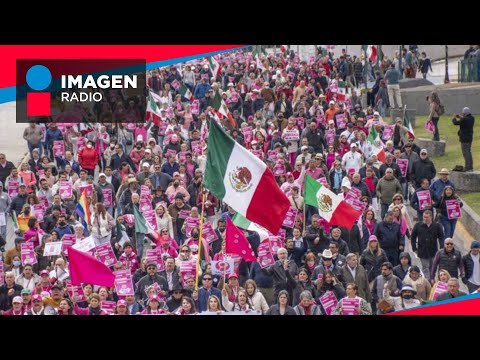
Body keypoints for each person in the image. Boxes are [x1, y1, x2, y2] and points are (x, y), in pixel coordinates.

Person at [411, 210, 445, 281]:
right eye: (424, 217)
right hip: (422, 251)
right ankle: (428, 281)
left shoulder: (437, 226)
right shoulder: (418, 225)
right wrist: (414, 248)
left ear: (431, 217)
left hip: (433, 251)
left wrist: (442, 249)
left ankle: (432, 279)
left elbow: (441, 237)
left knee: (432, 267)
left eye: (427, 217)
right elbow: (413, 237)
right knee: (425, 267)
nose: (425, 219)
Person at [452, 107, 475, 172]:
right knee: (469, 152)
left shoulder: (464, 119)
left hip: (464, 139)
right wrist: (460, 116)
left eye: (463, 113)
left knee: (466, 153)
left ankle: (467, 167)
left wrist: (454, 117)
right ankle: (470, 167)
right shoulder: (472, 118)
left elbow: (455, 122)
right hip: (470, 138)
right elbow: (464, 119)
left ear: (465, 113)